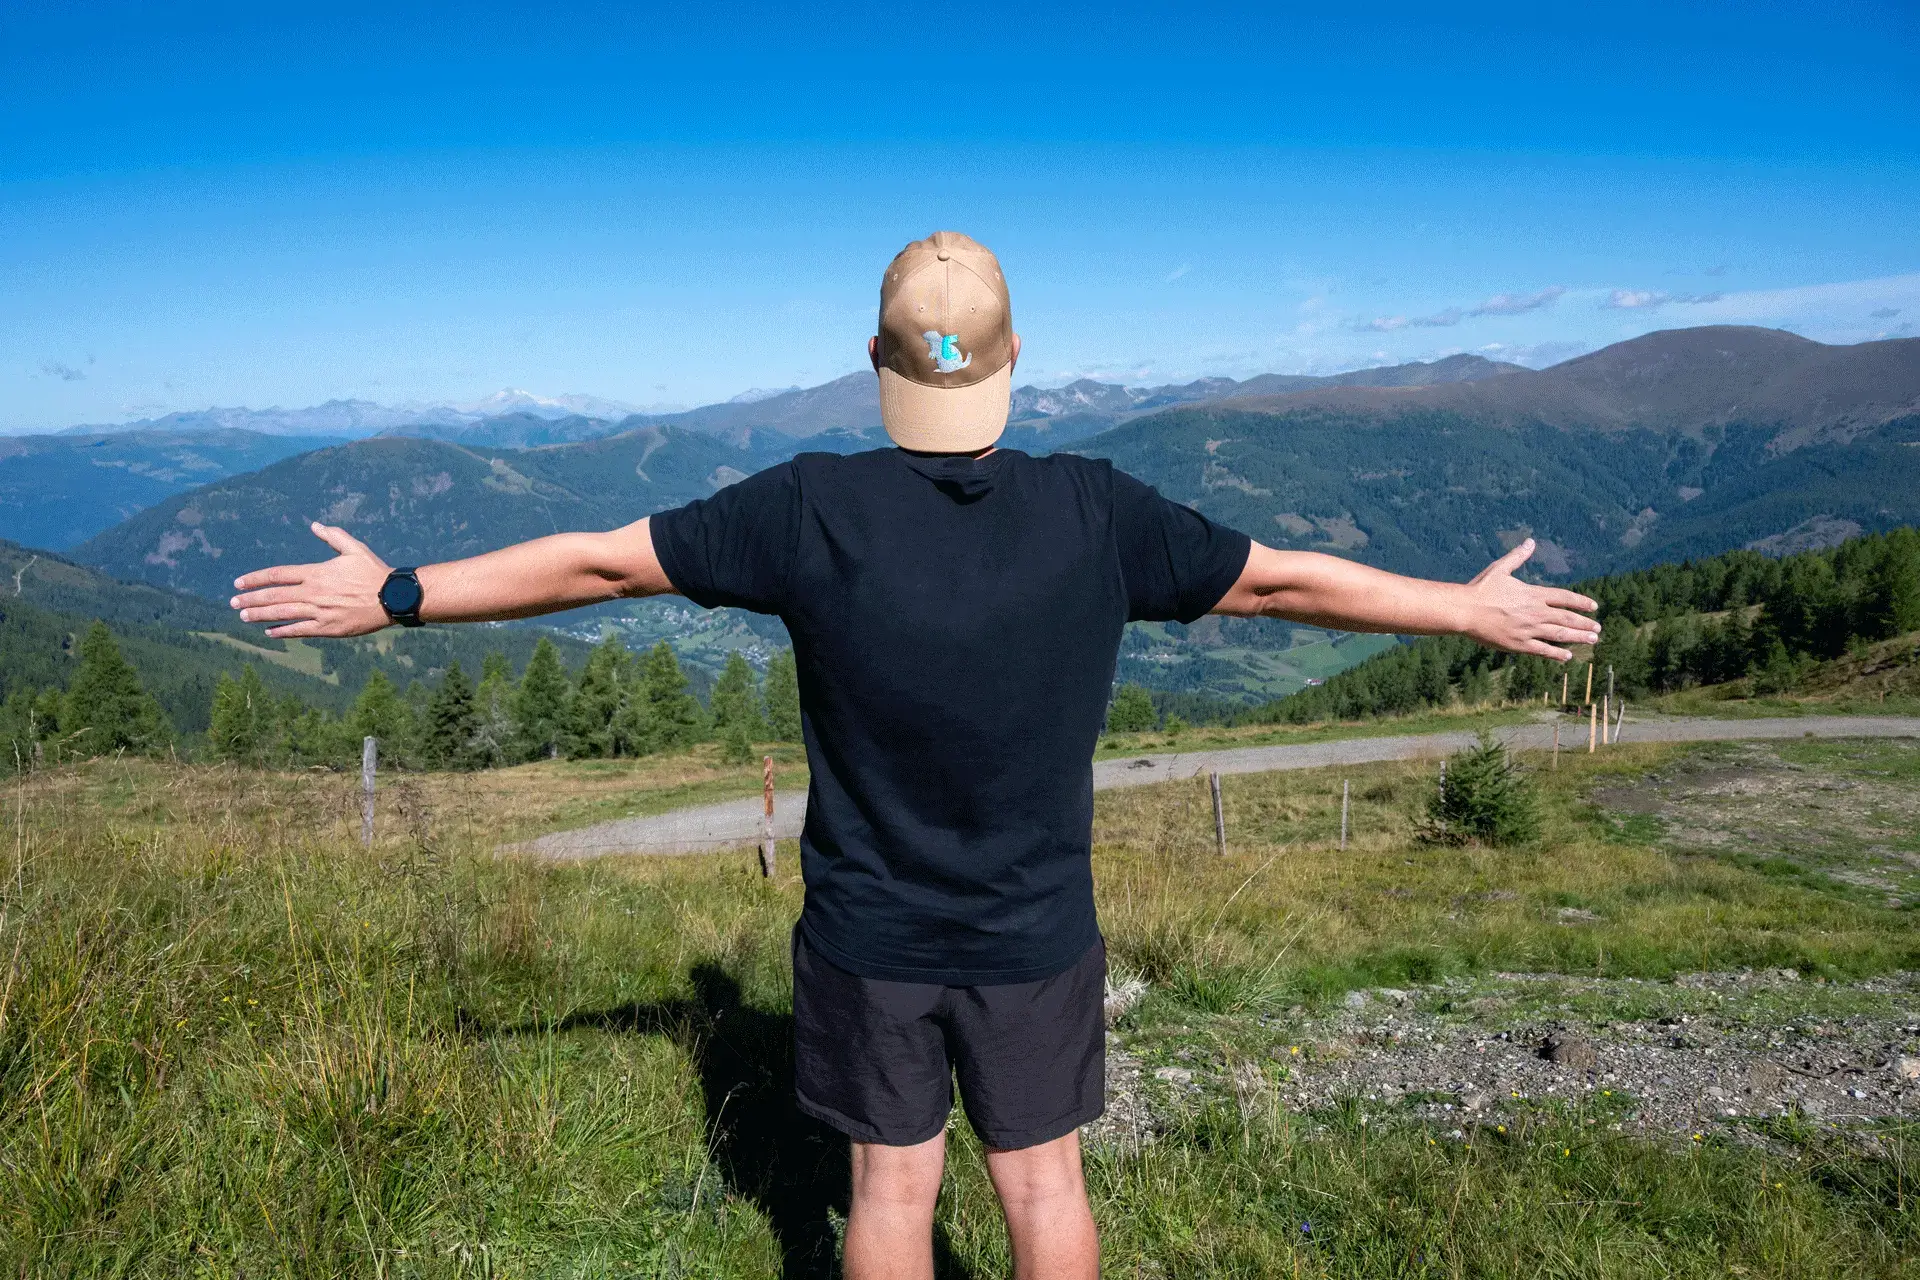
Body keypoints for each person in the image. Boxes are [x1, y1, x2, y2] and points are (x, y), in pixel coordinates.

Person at [230, 230, 1600, 1279]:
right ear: (1014, 361)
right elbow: (1291, 585)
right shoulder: (1096, 513)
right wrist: (1464, 608)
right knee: (1046, 1188)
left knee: (886, 1193)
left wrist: (401, 592)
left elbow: (598, 561)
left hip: (869, 938)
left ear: (877, 362)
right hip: (1034, 935)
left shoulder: (807, 508)